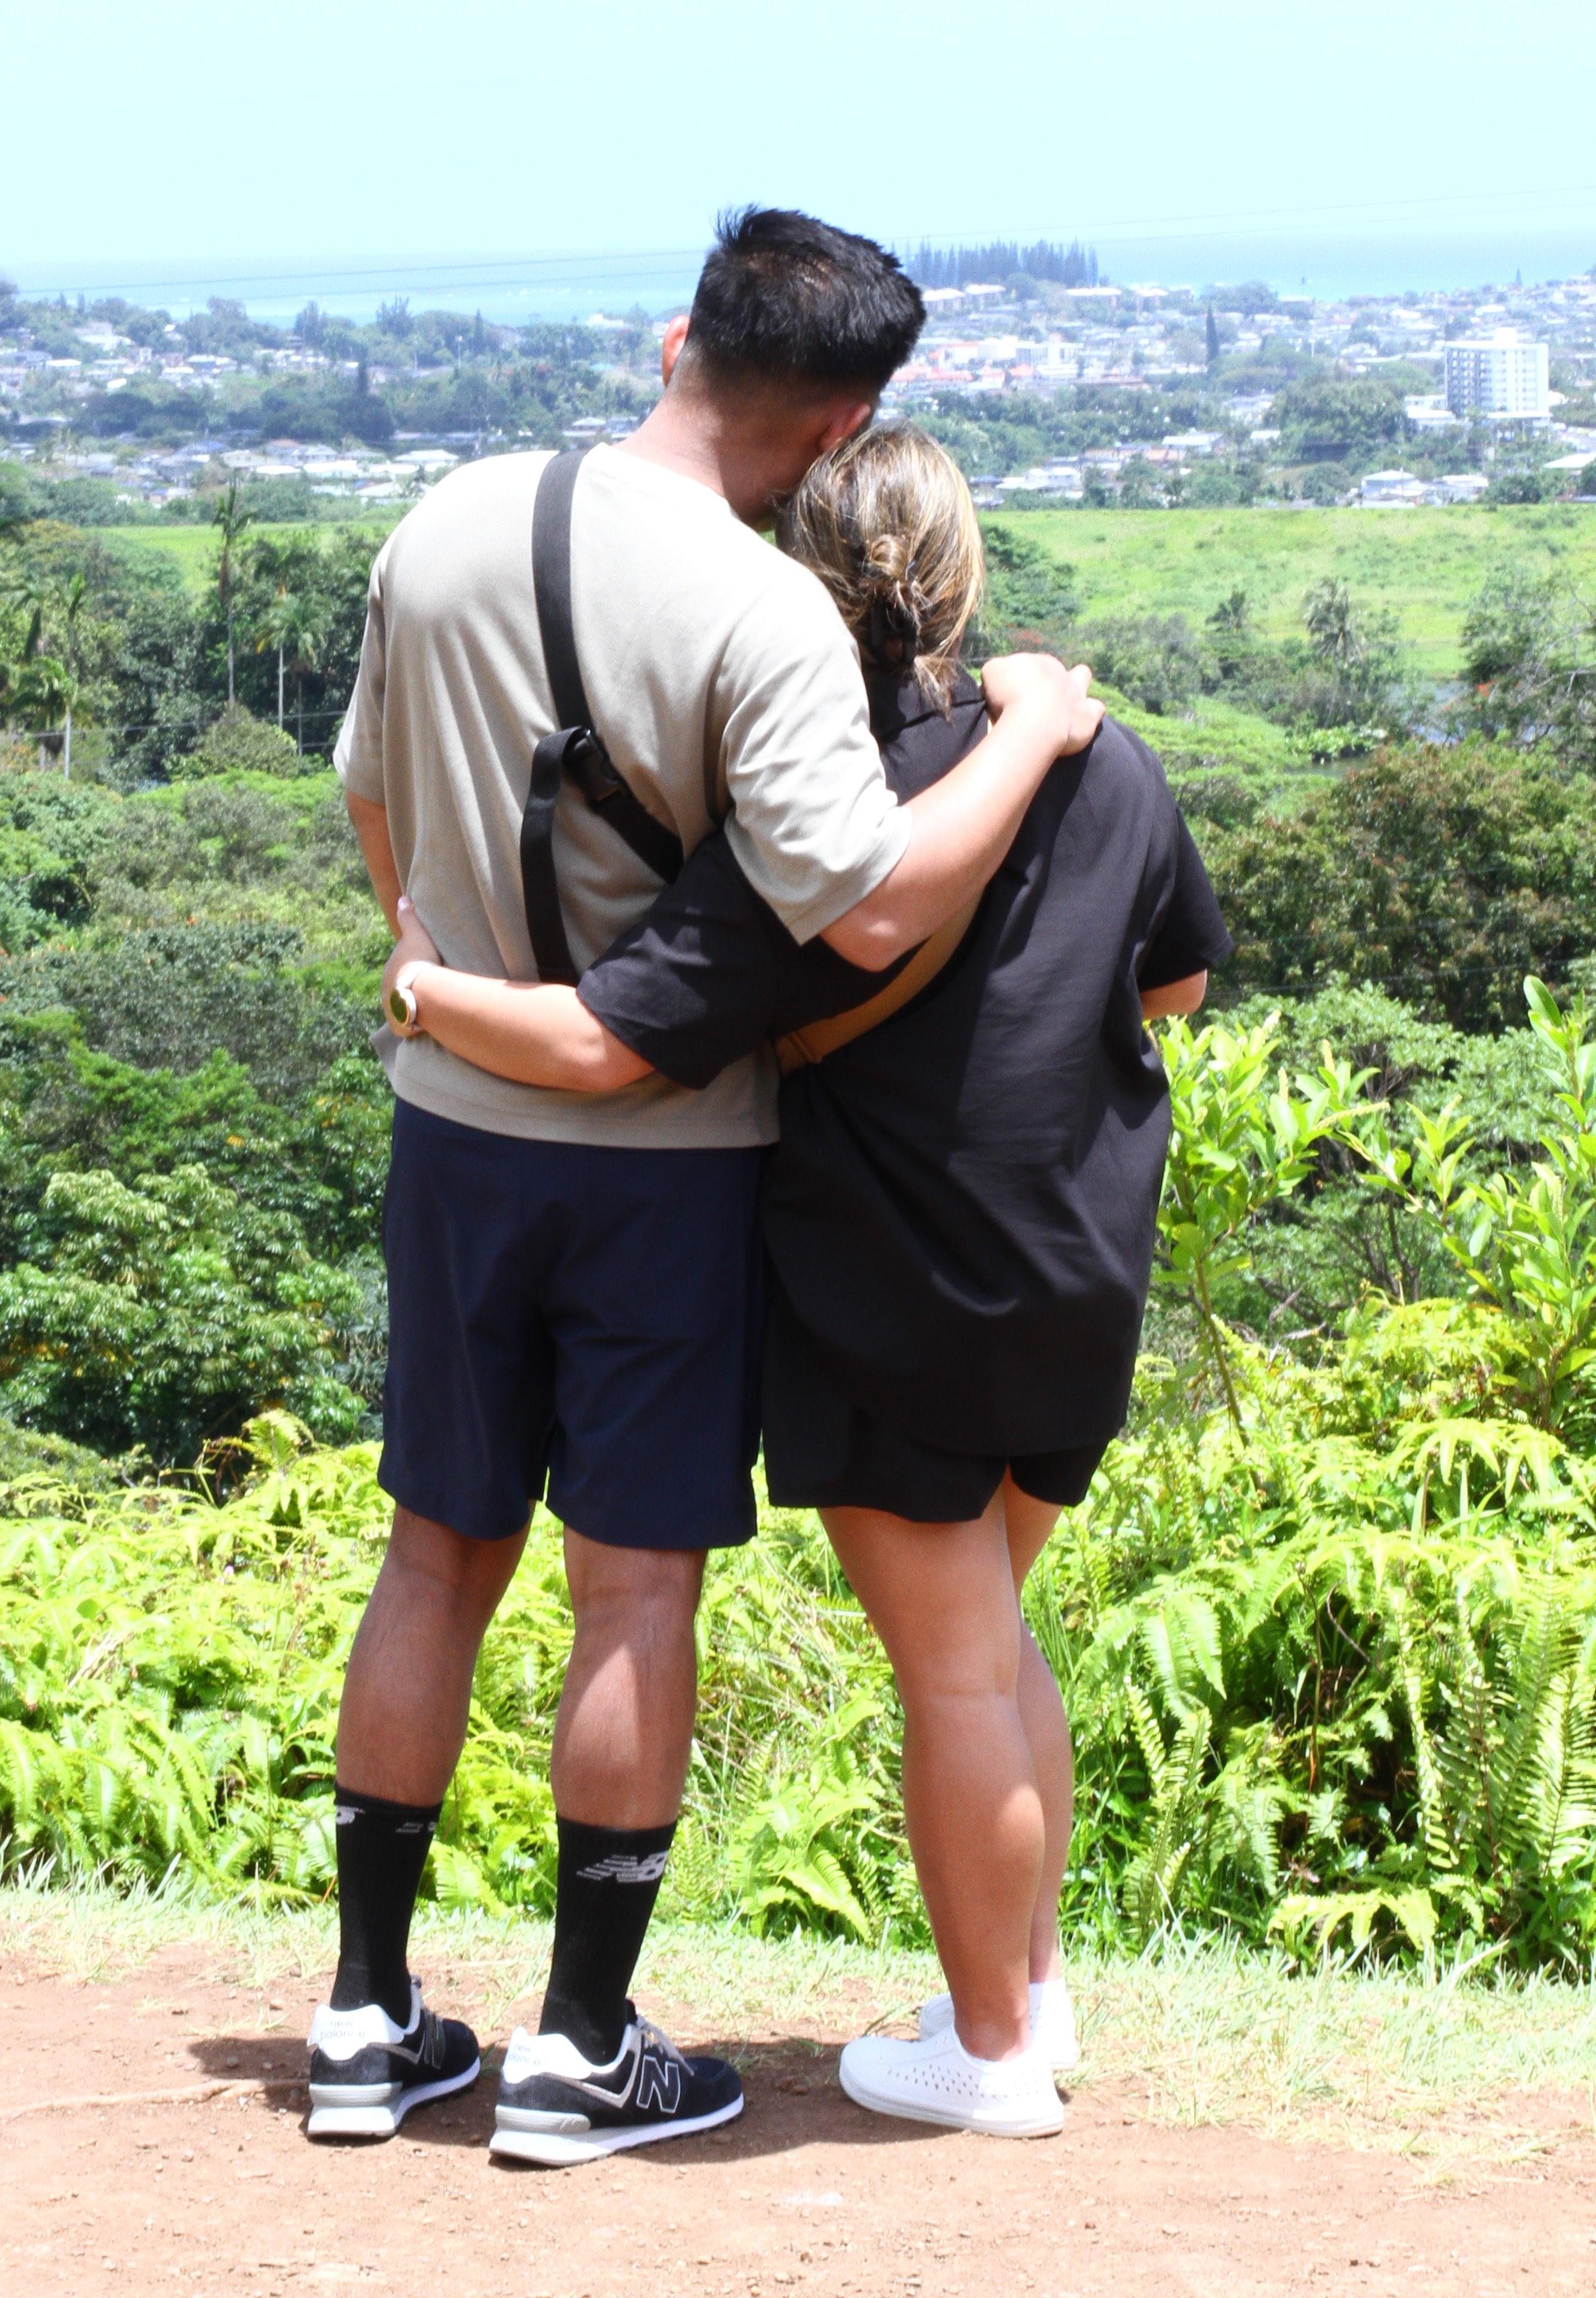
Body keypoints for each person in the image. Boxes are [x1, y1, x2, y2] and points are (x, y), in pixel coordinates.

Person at [306, 211, 1102, 2167]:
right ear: (845, 422)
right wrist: (1037, 731)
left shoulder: (443, 520)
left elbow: (366, 791)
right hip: (661, 1157)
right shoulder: (763, 617)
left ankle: (363, 2016)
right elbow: (872, 891)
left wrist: (432, 966)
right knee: (630, 1583)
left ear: (676, 336)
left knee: (434, 1551)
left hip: (454, 1116)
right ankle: (583, 2045)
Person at [383, 423, 1230, 2142]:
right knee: (999, 1634)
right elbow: (1176, 990)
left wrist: (420, 987)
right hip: (1077, 1262)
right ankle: (1029, 1996)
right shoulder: (1105, 757)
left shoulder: (818, 802)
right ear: (964, 571)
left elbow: (622, 1039)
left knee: (963, 1671)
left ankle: (990, 2058)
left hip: (893, 1276)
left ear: (799, 583)